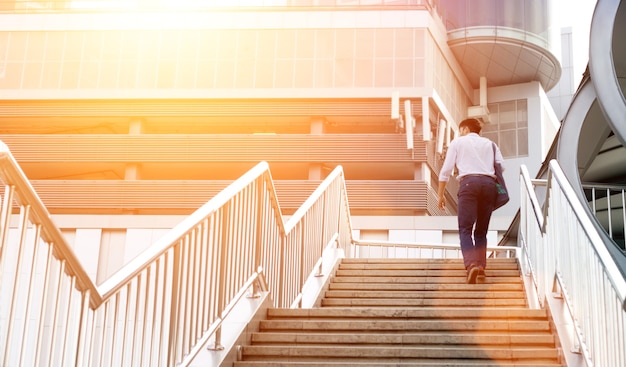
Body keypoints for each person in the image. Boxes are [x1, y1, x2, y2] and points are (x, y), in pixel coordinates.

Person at [437, 118, 504, 284]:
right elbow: (501, 167)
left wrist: (440, 194)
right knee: (481, 231)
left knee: (465, 229)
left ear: (465, 129)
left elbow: (446, 170)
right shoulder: (491, 144)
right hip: (489, 185)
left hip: (468, 184)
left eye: (461, 130)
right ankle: (481, 268)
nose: (460, 133)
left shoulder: (458, 142)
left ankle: (471, 265)